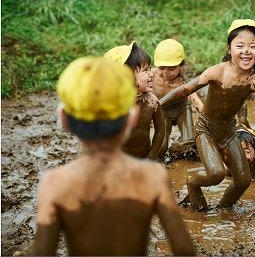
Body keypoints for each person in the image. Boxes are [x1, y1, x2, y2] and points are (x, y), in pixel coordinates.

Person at [31, 57, 195, 256]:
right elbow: (185, 249)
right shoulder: (152, 176)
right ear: (132, 118)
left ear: (64, 120)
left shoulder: (55, 183)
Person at [160, 19, 255, 210]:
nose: (246, 51)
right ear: (229, 48)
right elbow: (185, 89)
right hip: (206, 129)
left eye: (253, 46)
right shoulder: (218, 72)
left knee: (243, 180)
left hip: (228, 132)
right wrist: (158, 105)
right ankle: (193, 182)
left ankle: (223, 210)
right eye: (240, 46)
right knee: (216, 174)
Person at [104, 41, 165, 159]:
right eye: (146, 70)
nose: (152, 74)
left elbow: (160, 131)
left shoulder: (151, 102)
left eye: (150, 68)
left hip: (143, 159)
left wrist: (151, 157)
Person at [152, 39, 203, 156]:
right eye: (161, 68)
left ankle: (174, 150)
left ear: (181, 67)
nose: (166, 73)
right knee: (161, 147)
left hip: (182, 111)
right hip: (163, 112)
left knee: (188, 143)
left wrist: (206, 115)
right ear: (156, 65)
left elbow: (196, 100)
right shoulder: (151, 77)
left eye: (172, 68)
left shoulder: (182, 81)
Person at [235, 105, 255, 180]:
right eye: (240, 152)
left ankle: (242, 120)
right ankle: (240, 121)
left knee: (247, 135)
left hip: (251, 140)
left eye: (247, 151)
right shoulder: (230, 166)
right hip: (236, 137)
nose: (244, 156)